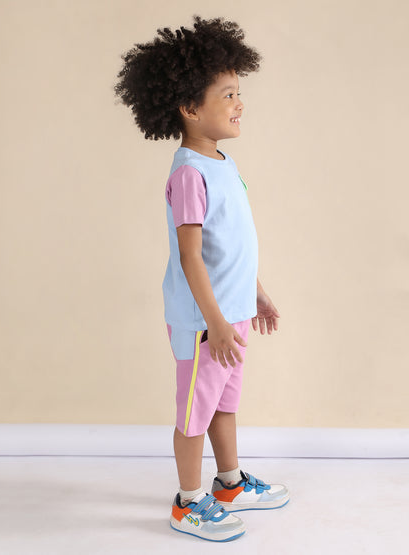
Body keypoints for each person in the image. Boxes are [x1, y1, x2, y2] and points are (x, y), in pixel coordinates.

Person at [114, 15, 290, 542]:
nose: (240, 103)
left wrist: (256, 294)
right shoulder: (189, 172)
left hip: (230, 315)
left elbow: (230, 244)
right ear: (191, 108)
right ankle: (188, 503)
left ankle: (229, 483)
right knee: (194, 412)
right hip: (203, 323)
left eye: (239, 93)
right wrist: (214, 322)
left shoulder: (222, 162)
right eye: (228, 95)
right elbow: (191, 257)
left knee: (223, 404)